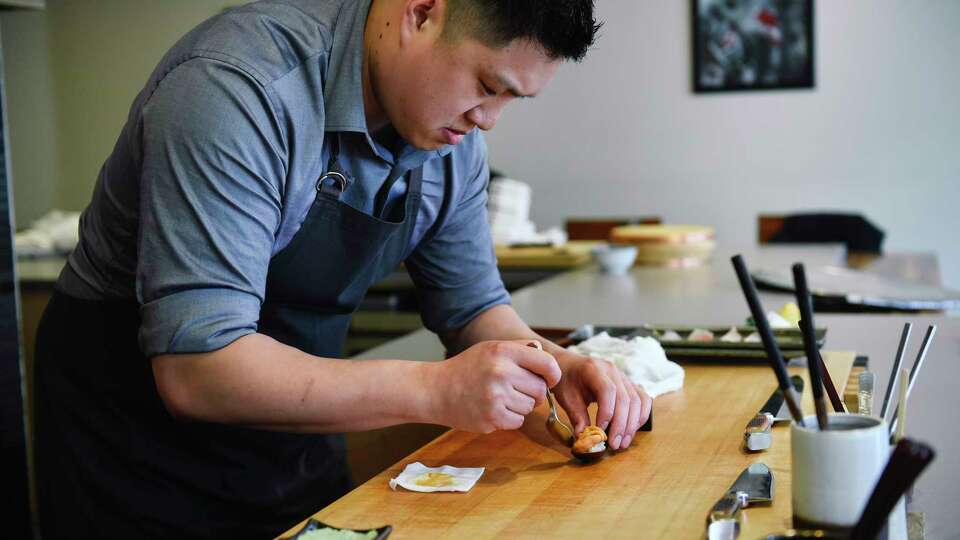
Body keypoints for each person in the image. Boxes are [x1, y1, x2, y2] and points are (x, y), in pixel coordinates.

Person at [34, 0, 652, 537]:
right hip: (135, 443)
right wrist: (437, 390)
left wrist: (554, 367)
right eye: (487, 85)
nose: (487, 119)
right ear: (420, 13)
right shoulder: (237, 90)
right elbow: (199, 371)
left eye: (512, 99)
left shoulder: (451, 146)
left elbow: (473, 309)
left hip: (293, 432)